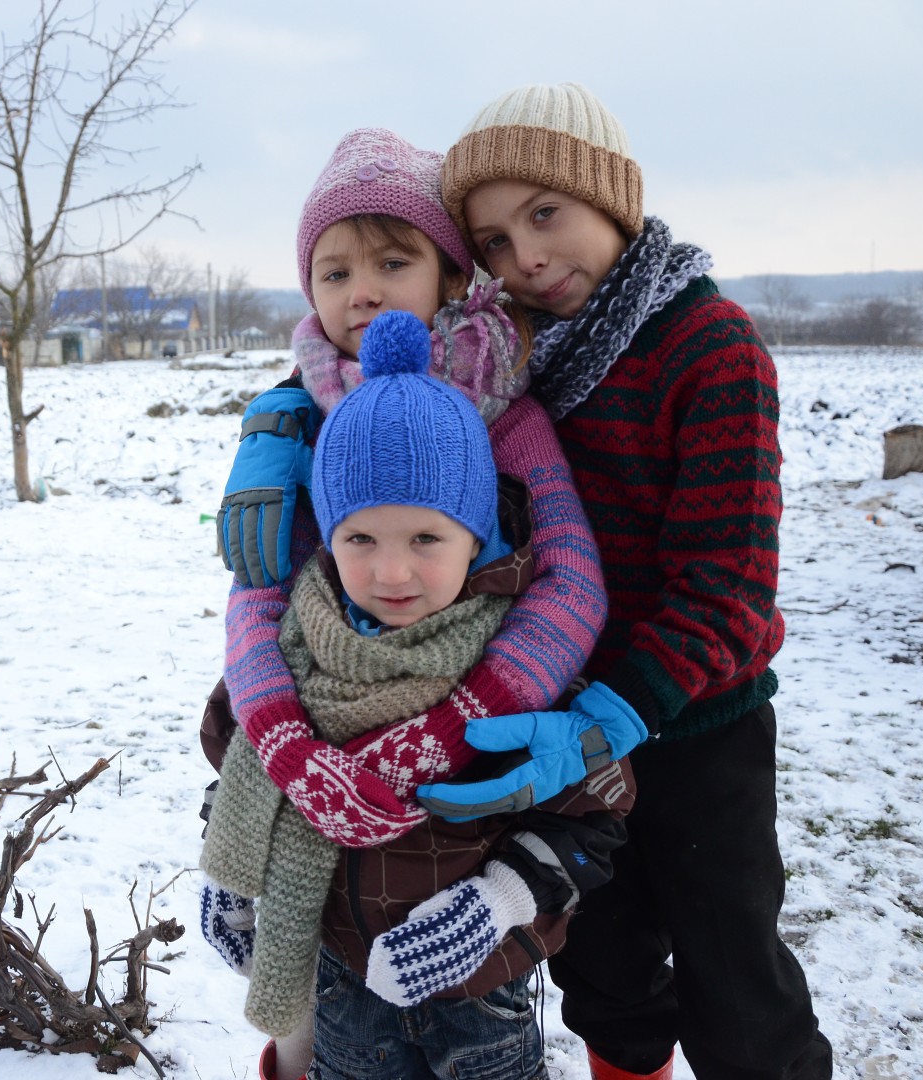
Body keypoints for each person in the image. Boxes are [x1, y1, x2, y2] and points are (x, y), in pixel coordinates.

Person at [197, 128, 644, 1080]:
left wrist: (463, 719)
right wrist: (276, 738)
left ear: (448, 276)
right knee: (325, 1023)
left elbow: (570, 576)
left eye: (393, 262)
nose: (360, 290)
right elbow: (256, 600)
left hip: (463, 725)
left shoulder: (504, 409)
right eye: (333, 269)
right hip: (312, 726)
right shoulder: (300, 411)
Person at [424, 82, 835, 1080]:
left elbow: (729, 593)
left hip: (697, 733)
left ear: (611, 199)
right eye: (491, 240)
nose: (524, 258)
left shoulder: (709, 347)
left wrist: (615, 716)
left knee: (735, 984)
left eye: (545, 214)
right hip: (556, 730)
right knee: (602, 973)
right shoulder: (504, 364)